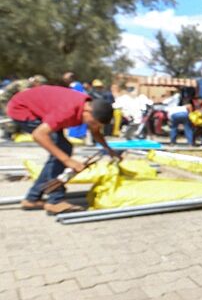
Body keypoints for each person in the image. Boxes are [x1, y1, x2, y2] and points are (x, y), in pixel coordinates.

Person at [6, 85, 119, 213]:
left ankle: (32, 199)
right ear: (87, 110)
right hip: (22, 108)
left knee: (63, 148)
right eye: (93, 122)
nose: (92, 126)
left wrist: (108, 149)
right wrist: (68, 161)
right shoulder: (67, 110)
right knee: (61, 149)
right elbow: (39, 134)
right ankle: (55, 200)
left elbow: (96, 132)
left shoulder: (90, 110)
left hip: (43, 109)